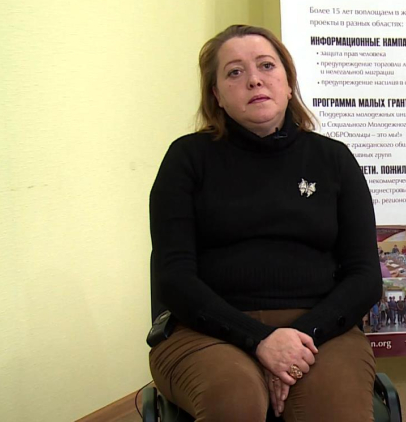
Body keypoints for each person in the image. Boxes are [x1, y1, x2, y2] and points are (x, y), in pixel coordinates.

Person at [148, 24, 382, 422]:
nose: (254, 79)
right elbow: (173, 278)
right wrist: (259, 341)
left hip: (320, 330)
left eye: (266, 66)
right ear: (217, 95)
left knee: (335, 409)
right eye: (235, 72)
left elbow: (365, 277)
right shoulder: (186, 159)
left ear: (288, 84)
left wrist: (298, 338)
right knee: (234, 398)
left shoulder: (334, 160)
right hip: (206, 330)